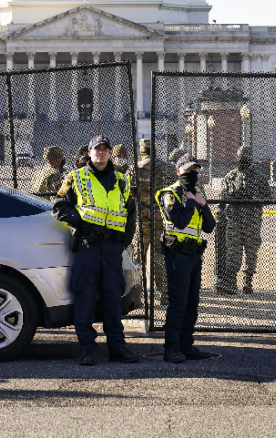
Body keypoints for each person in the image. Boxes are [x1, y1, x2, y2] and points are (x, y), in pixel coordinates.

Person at [52, 135, 140, 366]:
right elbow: (59, 207)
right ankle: (87, 349)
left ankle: (117, 348)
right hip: (88, 247)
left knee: (113, 299)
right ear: (89, 153)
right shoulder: (75, 177)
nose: (101, 153)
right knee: (85, 299)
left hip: (112, 249)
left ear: (110, 153)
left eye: (105, 149)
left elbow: (131, 213)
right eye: (96, 150)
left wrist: (124, 241)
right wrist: (81, 224)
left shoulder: (122, 180)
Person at [156, 156, 216, 363]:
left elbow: (210, 226)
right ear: (178, 171)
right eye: (189, 169)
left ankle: (185, 345)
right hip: (177, 256)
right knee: (178, 303)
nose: (193, 173)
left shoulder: (199, 194)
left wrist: (203, 204)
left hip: (194, 257)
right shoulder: (170, 194)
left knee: (192, 303)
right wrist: (192, 201)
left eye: (196, 169)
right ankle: (171, 348)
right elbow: (179, 222)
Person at [220, 145, 269, 295]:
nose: (242, 161)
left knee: (251, 250)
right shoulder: (231, 176)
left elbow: (267, 198)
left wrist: (252, 198)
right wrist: (233, 195)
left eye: (245, 159)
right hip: (234, 219)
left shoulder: (259, 177)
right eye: (240, 158)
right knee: (233, 251)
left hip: (252, 220)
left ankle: (248, 282)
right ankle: (232, 281)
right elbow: (222, 196)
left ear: (250, 159)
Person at [132, 139, 166, 300]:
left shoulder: (136, 168)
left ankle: (139, 292)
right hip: (160, 218)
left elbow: (128, 194)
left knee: (139, 255)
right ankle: (166, 293)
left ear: (142, 150)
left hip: (142, 218)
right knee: (159, 255)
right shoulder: (168, 168)